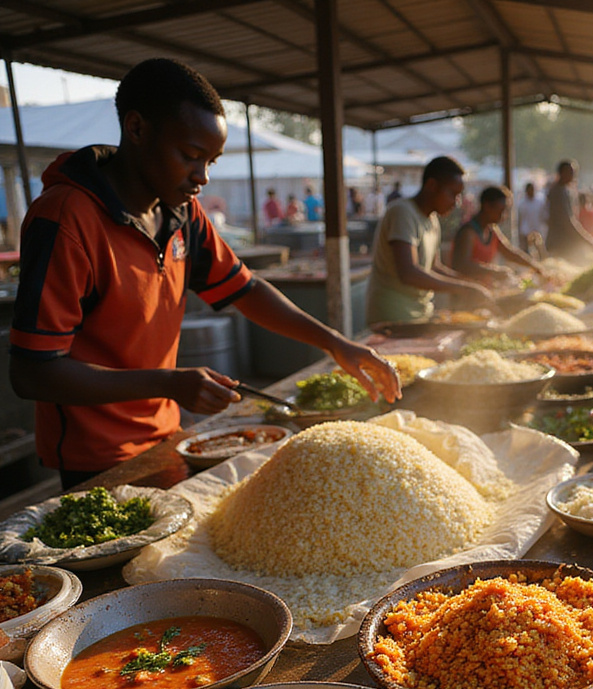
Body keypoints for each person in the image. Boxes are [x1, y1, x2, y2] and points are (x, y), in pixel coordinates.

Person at [9, 58, 400, 489]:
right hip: (96, 457)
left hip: (168, 435)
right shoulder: (66, 219)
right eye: (192, 156)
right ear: (136, 129)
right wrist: (170, 382)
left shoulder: (182, 213)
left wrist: (336, 344)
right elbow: (33, 373)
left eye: (211, 161)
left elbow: (245, 289)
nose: (203, 177)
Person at [365, 155, 493, 326]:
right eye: (452, 194)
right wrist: (461, 288)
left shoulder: (432, 220)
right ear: (431, 185)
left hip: (421, 313)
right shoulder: (402, 212)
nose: (456, 202)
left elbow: (434, 267)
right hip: (394, 317)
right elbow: (409, 273)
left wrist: (470, 284)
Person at [450, 186, 545, 288]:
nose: (503, 215)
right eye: (501, 211)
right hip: (465, 294)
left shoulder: (492, 230)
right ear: (487, 206)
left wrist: (534, 265)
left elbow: (509, 253)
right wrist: (495, 272)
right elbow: (463, 265)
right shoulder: (468, 232)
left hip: (484, 291)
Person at [545, 160, 593, 263]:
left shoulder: (565, 190)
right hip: (560, 243)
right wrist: (589, 241)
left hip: (565, 242)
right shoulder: (558, 192)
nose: (573, 175)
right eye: (570, 172)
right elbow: (567, 222)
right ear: (562, 173)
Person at [517, 181, 546, 252]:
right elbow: (520, 219)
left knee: (539, 251)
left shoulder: (540, 201)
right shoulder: (522, 203)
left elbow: (543, 216)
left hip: (537, 230)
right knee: (526, 252)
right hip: (526, 232)